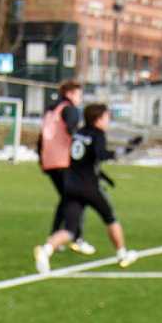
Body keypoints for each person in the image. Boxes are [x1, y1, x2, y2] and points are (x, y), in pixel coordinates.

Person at [33, 103, 138, 273]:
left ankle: (46, 250)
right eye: (106, 117)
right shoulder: (98, 134)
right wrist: (126, 150)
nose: (108, 121)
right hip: (89, 187)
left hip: (71, 185)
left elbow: (83, 160)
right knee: (110, 219)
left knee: (70, 230)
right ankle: (122, 254)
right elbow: (100, 155)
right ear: (98, 119)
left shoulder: (79, 133)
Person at [37, 79, 96, 255]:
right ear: (69, 93)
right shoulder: (69, 109)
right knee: (76, 199)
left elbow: (41, 138)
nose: (80, 98)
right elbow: (73, 131)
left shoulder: (51, 110)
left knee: (66, 198)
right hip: (64, 160)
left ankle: (55, 238)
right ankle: (76, 238)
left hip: (49, 161)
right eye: (79, 94)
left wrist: (41, 158)